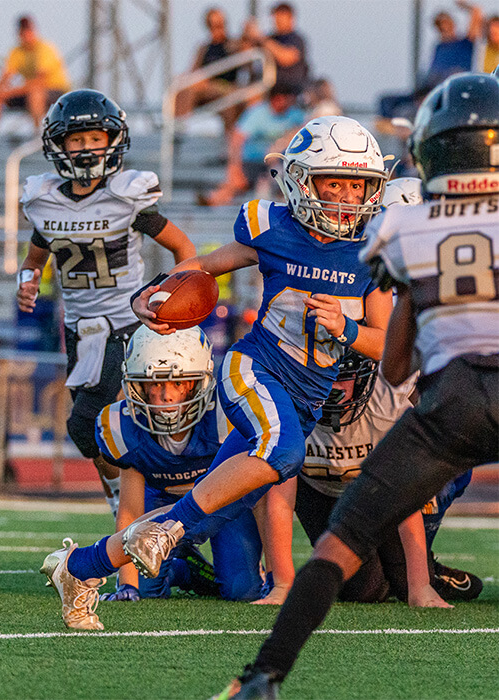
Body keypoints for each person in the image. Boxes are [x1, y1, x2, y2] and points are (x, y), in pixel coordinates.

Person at [211, 71, 499, 699]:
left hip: (452, 403)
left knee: (341, 546)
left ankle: (263, 677)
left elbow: (394, 367)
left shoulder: (404, 229)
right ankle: (420, 582)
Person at [121, 115, 393, 582]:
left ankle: (87, 563)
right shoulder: (273, 228)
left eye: (357, 186)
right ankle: (170, 536)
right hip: (256, 367)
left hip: (309, 395)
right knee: (282, 452)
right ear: (302, 182)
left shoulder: (374, 250)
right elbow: (205, 266)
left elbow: (385, 344)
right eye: (335, 184)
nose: (348, 198)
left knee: (225, 501)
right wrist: (153, 289)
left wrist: (346, 328)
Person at [253, 178, 481, 608]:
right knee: (361, 587)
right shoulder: (354, 275)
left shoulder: (386, 381)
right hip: (324, 477)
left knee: (432, 465)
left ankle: (422, 569)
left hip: (389, 459)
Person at [16, 89, 196, 515]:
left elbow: (184, 249)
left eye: (94, 139)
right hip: (80, 330)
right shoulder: (46, 202)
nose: (85, 149)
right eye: (76, 141)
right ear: (58, 145)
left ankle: (135, 509)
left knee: (85, 426)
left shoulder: (125, 197)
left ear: (112, 141)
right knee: (99, 431)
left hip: (126, 322)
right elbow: (34, 259)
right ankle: (133, 509)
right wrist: (26, 281)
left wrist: (168, 296)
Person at [96, 324, 265, 604]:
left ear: (198, 383)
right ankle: (184, 571)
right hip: (160, 501)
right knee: (146, 590)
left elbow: (258, 493)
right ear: (137, 386)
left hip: (221, 503)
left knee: (242, 590)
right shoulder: (124, 425)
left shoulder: (225, 415)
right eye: (155, 384)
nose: (167, 396)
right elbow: (129, 511)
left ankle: (213, 571)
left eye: (178, 382)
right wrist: (128, 585)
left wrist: (274, 572)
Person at [198, 85, 305, 206]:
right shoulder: (257, 113)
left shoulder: (296, 115)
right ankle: (212, 201)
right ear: (276, 98)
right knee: (237, 183)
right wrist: (234, 168)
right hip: (253, 161)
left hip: (279, 163)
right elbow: (236, 139)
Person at [378, 0, 483, 121]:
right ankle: (398, 132)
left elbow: (476, 12)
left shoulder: (465, 44)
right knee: (385, 101)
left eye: (447, 25)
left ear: (453, 25)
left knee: (413, 111)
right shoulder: (438, 47)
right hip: (426, 91)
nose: (444, 29)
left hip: (446, 92)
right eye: (440, 26)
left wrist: (462, 4)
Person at [174, 7, 242, 137]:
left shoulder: (232, 44)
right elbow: (194, 70)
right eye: (213, 25)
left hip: (225, 87)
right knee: (183, 89)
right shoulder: (204, 48)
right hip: (204, 88)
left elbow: (245, 56)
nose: (218, 28)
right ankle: (178, 130)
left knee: (226, 102)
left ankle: (230, 138)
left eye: (220, 24)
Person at [0, 16, 71, 128]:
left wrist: (10, 92)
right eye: (24, 32)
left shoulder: (45, 48)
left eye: (29, 31)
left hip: (55, 91)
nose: (27, 35)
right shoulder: (16, 51)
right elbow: (6, 76)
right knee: (0, 95)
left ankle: (37, 133)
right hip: (28, 91)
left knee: (35, 93)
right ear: (19, 34)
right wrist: (1, 91)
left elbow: (39, 82)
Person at [243, 3, 309, 96]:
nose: (277, 19)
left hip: (292, 91)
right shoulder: (271, 38)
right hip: (270, 91)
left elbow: (286, 58)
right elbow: (246, 56)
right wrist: (247, 36)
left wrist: (260, 38)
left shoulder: (296, 39)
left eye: (281, 15)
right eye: (275, 15)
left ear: (290, 18)